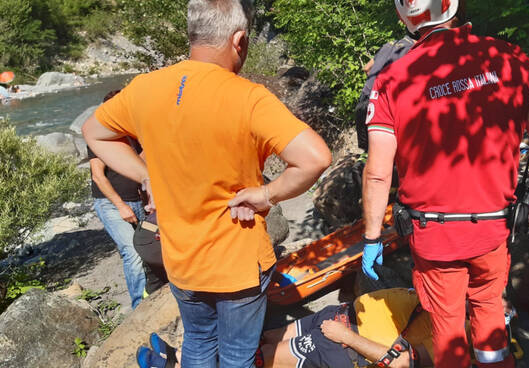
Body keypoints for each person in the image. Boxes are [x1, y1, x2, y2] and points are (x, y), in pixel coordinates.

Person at [82, 0, 332, 366]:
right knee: (237, 355)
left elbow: (94, 133)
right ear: (239, 40)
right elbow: (316, 158)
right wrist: (266, 194)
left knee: (198, 343)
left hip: (181, 259)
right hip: (238, 261)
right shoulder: (248, 97)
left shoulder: (144, 88)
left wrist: (146, 174)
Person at [361, 1, 529, 367]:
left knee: (448, 331)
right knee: (489, 317)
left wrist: (373, 237)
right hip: (492, 230)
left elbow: (378, 172)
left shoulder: (391, 80)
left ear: (404, 16)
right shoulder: (508, 57)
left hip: (434, 238)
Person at [136, 288, 435, 368]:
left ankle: (175, 366)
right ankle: (181, 358)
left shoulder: (461, 332)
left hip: (344, 345)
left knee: (256, 359)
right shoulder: (460, 302)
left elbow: (402, 362)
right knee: (256, 341)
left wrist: (345, 336)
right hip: (341, 316)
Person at [88, 90, 146, 309]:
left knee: (147, 249)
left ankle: (151, 296)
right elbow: (97, 176)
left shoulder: (133, 135)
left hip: (138, 201)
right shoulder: (101, 137)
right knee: (132, 253)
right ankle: (138, 308)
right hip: (111, 203)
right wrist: (120, 206)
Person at [355, 34, 417, 151]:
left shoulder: (388, 45)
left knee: (370, 152)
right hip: (381, 107)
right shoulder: (412, 50)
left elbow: (367, 68)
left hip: (364, 101)